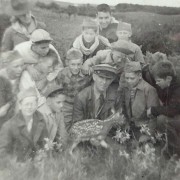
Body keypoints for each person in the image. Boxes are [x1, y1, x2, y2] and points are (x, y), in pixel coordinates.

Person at [0, 87, 48, 161]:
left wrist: (42, 156)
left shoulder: (40, 121)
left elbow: (45, 143)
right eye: (26, 104)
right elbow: (2, 153)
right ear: (20, 105)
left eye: (32, 104)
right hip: (16, 167)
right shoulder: (9, 126)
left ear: (37, 105)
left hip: (37, 165)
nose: (29, 107)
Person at [145, 61, 180, 156]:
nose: (156, 83)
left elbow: (173, 110)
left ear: (168, 78)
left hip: (176, 113)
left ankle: (174, 152)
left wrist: (153, 110)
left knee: (163, 120)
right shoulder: (169, 83)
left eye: (159, 81)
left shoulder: (177, 88)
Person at [120, 61, 160, 144]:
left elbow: (154, 117)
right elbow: (125, 109)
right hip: (130, 126)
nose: (129, 81)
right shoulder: (126, 88)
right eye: (127, 78)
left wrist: (148, 134)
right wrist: (126, 124)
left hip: (144, 127)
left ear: (140, 76)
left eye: (132, 78)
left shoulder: (149, 90)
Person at [56, 48, 91, 130]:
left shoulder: (87, 74)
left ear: (82, 62)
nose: (76, 67)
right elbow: (57, 91)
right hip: (67, 104)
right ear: (67, 63)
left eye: (79, 64)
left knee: (79, 125)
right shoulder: (62, 74)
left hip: (81, 106)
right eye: (73, 64)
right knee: (65, 125)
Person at [0, 50, 24, 129]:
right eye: (16, 66)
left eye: (21, 66)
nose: (20, 69)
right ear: (7, 65)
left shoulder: (23, 77)